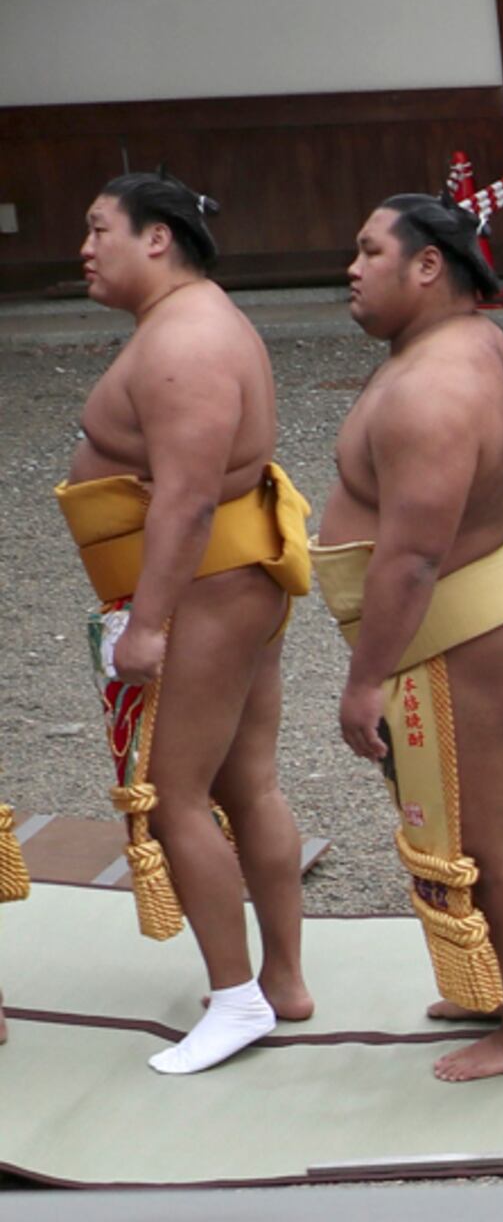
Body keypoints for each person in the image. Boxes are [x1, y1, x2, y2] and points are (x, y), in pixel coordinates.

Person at [56, 172, 315, 1076]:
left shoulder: (186, 341)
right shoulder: (191, 323)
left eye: (99, 230)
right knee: (247, 784)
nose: (85, 248)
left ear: (156, 238)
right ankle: (280, 981)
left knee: (175, 794)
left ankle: (238, 998)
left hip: (203, 588)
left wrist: (147, 623)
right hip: (227, 581)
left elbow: (190, 495)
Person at [311, 196, 503, 1083]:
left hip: (461, 630)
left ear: (428, 267)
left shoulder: (434, 385)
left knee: (489, 840)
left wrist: (362, 678)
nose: (352, 268)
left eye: (370, 250)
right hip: (474, 617)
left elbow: (414, 556)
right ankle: (491, 984)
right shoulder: (474, 348)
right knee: (458, 829)